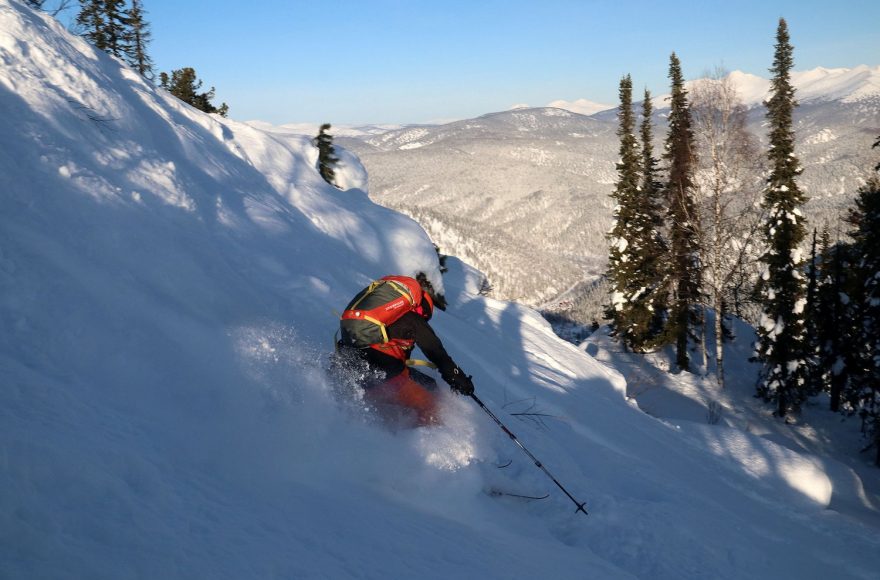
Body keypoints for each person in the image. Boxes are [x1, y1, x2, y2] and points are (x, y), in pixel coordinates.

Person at [336, 273, 474, 425]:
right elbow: (436, 351)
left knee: (425, 386)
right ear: (421, 309)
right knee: (429, 407)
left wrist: (429, 383)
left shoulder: (379, 323)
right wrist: (458, 378)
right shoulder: (412, 320)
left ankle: (387, 434)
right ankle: (428, 436)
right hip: (382, 373)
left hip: (354, 368)